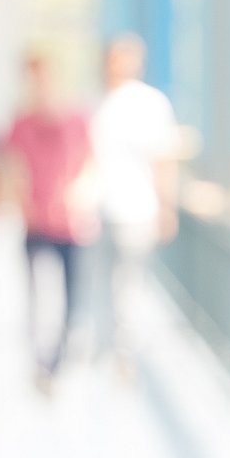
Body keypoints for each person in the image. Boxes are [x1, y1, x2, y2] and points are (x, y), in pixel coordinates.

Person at [87, 34, 179, 373]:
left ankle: (124, 352)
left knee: (129, 284)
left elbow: (164, 160)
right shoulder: (94, 102)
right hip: (97, 210)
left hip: (137, 209)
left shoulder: (151, 104)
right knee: (99, 281)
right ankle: (102, 344)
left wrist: (166, 207)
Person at [4, 53, 92, 386]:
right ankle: (41, 361)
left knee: (70, 294)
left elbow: (90, 163)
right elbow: (10, 166)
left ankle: (61, 357)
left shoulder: (77, 120)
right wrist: (19, 203)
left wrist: (78, 197)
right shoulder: (21, 123)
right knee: (38, 295)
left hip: (70, 224)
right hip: (35, 223)